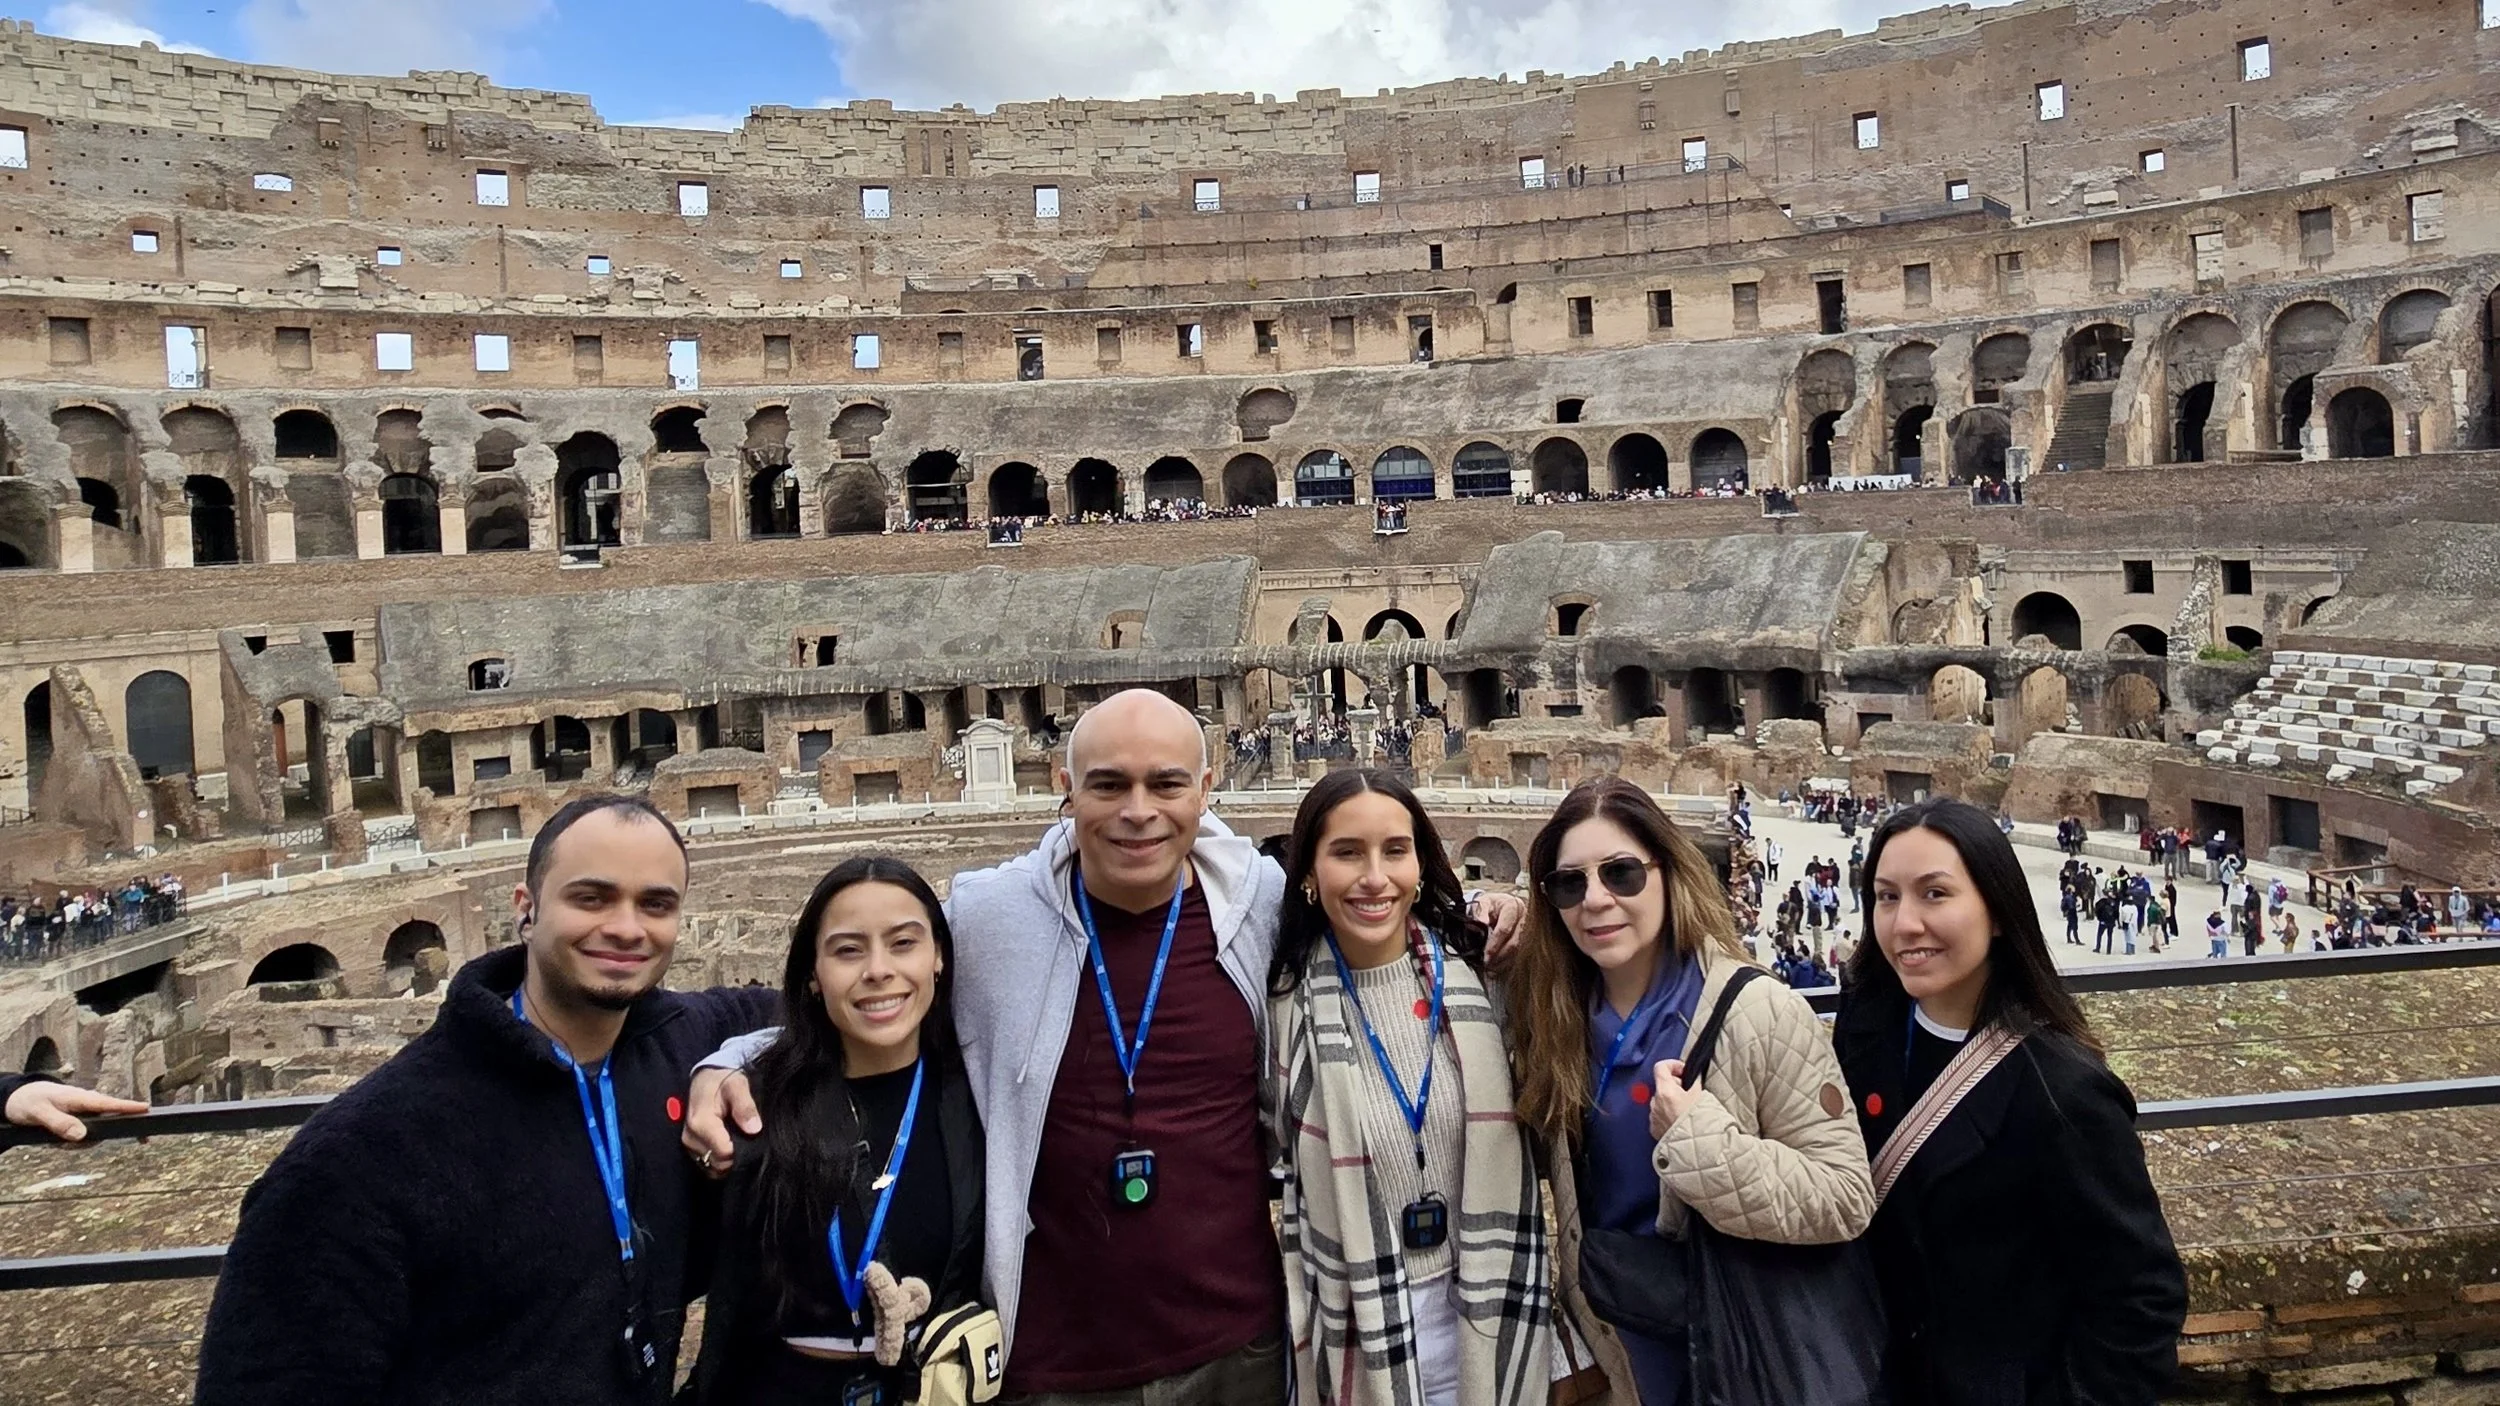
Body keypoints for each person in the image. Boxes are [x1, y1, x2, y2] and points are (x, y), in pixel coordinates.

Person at [686, 689, 1523, 1404]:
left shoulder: (1261, 905)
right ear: (1064, 788)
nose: (1137, 811)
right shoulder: (991, 916)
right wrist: (735, 1062)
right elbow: (879, 991)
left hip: (1240, 1346)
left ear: (1206, 788)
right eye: (1108, 784)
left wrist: (1497, 906)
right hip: (1051, 1357)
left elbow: (1381, 926)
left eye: (1165, 784)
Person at [194, 794, 780, 1406]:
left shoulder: (681, 1038)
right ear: (526, 910)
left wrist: (726, 1061)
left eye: (655, 904)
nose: (628, 927)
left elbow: (817, 1009)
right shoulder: (363, 1151)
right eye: (592, 898)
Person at [1510, 777, 1874, 1406]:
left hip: (1739, 1345)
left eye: (1621, 873)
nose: (1595, 900)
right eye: (1570, 884)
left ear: (1668, 873)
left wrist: (1699, 1140)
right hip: (1620, 1344)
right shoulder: (1558, 1024)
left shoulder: (1757, 1011)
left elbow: (1844, 1196)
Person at [1836, 799, 2186, 1404]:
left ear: (1997, 911)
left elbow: (2140, 1299)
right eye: (1887, 896)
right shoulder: (1867, 1026)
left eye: (1935, 894)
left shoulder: (2063, 1090)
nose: (1903, 924)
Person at [1265, 771, 1550, 1406]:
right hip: (1356, 1340)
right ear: (1309, 874)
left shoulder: (1486, 970)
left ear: (1420, 864)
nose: (1375, 877)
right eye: (1346, 853)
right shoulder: (1278, 1012)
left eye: (1395, 850)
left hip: (1493, 1318)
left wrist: (1518, 911)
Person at [687, 857, 990, 1406]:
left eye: (903, 943)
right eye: (848, 950)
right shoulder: (754, 1104)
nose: (878, 970)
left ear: (939, 957)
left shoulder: (980, 1096)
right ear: (812, 974)